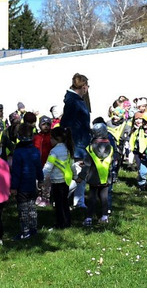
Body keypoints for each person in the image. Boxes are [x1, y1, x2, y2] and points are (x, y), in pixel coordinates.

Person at [62, 73, 93, 208]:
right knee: (79, 174)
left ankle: (79, 201)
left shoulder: (75, 100)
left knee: (81, 174)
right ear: (84, 86)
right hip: (77, 143)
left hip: (80, 142)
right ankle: (61, 197)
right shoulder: (74, 102)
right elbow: (67, 124)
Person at [9, 124, 44, 240]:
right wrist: (41, 180)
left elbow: (16, 172)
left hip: (22, 186)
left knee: (23, 210)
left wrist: (13, 187)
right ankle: (33, 229)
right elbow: (39, 167)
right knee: (32, 207)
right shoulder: (35, 151)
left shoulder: (18, 152)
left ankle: (25, 232)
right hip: (32, 184)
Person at [81, 125, 119, 226]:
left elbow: (87, 164)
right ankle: (105, 216)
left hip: (93, 177)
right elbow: (113, 162)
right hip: (106, 176)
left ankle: (89, 218)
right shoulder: (110, 147)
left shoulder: (90, 148)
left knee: (92, 197)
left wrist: (81, 176)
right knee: (104, 197)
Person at [42, 125, 75, 229]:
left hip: (56, 181)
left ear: (58, 138)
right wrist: (76, 175)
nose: (50, 140)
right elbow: (72, 164)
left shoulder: (54, 151)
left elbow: (48, 167)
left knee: (58, 204)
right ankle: (67, 222)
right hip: (66, 180)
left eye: (51, 138)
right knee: (65, 202)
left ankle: (60, 224)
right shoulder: (68, 149)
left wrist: (41, 178)